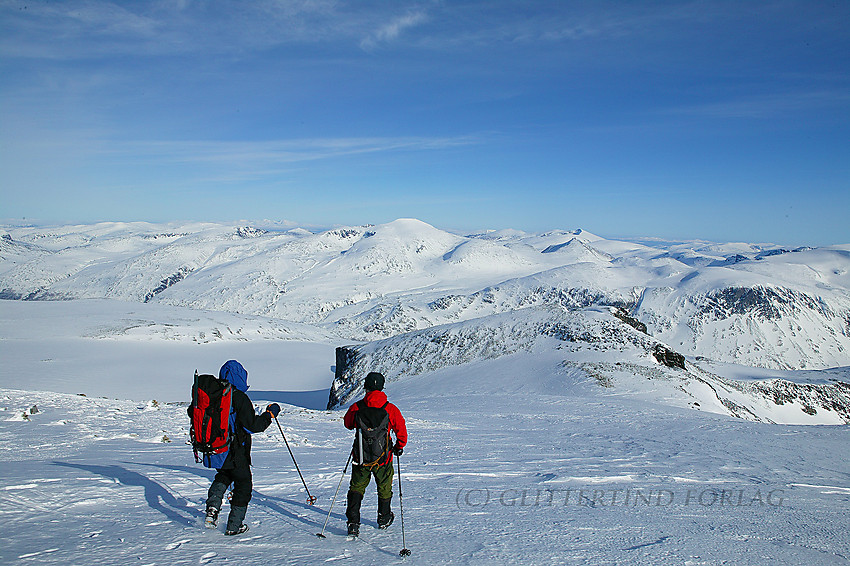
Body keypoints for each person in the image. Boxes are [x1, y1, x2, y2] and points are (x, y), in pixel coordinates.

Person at [204, 360, 280, 535]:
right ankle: (234, 526)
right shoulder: (238, 397)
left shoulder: (214, 394)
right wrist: (269, 415)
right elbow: (252, 426)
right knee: (243, 484)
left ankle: (212, 509)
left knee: (223, 475)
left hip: (217, 449)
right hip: (236, 450)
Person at [343, 371, 407, 537]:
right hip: (383, 458)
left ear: (366, 387)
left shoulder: (357, 407)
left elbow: (348, 424)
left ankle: (353, 523)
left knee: (356, 488)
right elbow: (401, 430)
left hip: (361, 458)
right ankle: (384, 518)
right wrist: (399, 446)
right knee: (384, 488)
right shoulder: (390, 409)